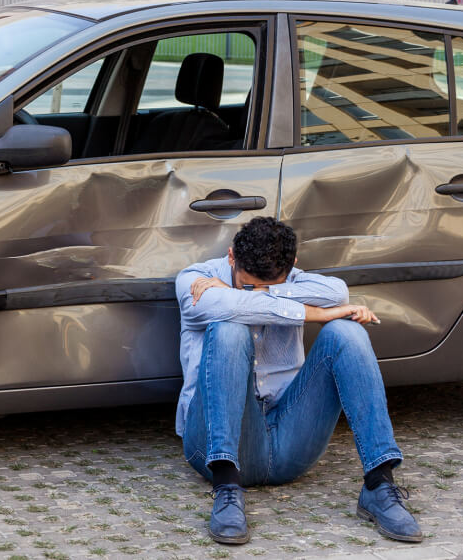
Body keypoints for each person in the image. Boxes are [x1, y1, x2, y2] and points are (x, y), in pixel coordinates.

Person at [175, 216, 423, 545]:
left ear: (292, 264)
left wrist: (264, 292)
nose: (253, 290)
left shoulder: (293, 278)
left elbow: (338, 292)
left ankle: (379, 484)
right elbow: (219, 306)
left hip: (289, 440)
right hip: (212, 447)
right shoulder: (195, 279)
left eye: (265, 285)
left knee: (346, 331)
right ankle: (226, 489)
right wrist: (315, 312)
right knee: (228, 328)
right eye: (247, 283)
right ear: (231, 255)